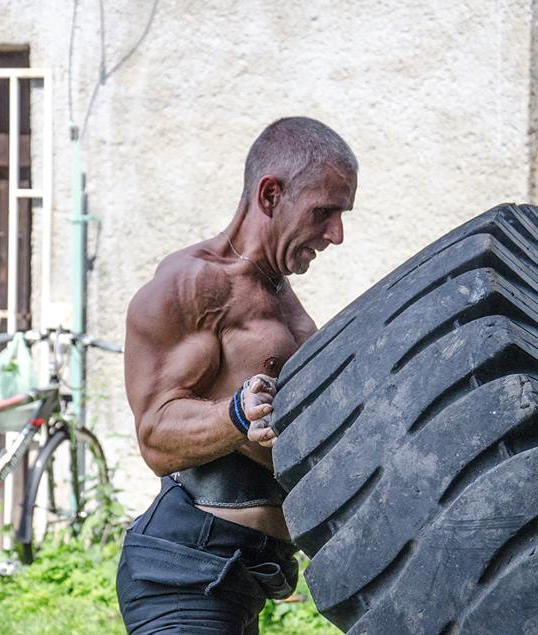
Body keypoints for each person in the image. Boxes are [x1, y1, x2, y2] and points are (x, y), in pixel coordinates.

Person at [116, 116, 358, 633]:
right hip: (182, 575)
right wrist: (233, 415)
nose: (336, 234)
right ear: (270, 194)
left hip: (240, 579)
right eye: (324, 212)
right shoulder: (192, 285)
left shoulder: (281, 296)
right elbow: (155, 435)